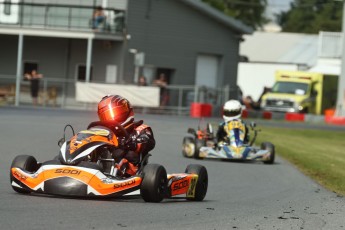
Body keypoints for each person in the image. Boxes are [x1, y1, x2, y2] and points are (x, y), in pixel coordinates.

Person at [88, 95, 155, 177]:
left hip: (129, 174)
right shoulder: (105, 134)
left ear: (126, 111)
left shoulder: (140, 129)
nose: (111, 119)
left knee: (124, 153)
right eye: (106, 116)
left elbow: (149, 142)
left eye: (114, 114)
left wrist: (131, 142)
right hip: (100, 172)